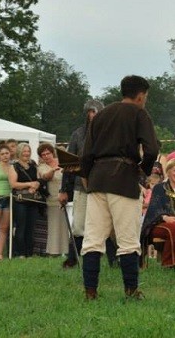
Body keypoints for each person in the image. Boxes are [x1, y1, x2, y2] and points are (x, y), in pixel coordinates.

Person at [81, 75, 160, 300]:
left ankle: (90, 292)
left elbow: (86, 153)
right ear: (141, 95)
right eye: (146, 97)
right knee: (127, 240)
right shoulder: (139, 113)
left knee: (93, 239)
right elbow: (152, 150)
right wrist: (142, 170)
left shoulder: (101, 114)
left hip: (97, 179)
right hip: (123, 179)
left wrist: (87, 176)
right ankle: (131, 291)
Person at [60, 99, 105, 268]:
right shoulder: (78, 135)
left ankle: (114, 260)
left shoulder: (108, 135)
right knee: (79, 225)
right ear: (87, 114)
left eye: (97, 112)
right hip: (81, 186)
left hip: (103, 186)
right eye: (91, 112)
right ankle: (73, 259)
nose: (94, 115)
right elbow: (68, 164)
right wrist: (64, 190)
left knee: (106, 224)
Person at [11, 143, 44, 258]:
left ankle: (29, 253)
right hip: (20, 201)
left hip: (33, 200)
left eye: (28, 151)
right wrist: (29, 184)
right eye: (24, 151)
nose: (26, 153)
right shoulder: (14, 166)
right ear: (19, 152)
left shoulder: (33, 164)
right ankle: (21, 253)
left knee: (31, 227)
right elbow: (13, 184)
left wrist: (36, 185)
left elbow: (39, 178)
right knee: (21, 227)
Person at [38, 143, 68, 256]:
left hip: (66, 198)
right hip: (52, 199)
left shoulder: (62, 162)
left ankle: (66, 250)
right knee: (54, 225)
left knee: (66, 225)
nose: (46, 156)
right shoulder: (42, 167)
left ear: (52, 153)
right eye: (43, 154)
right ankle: (54, 251)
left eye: (48, 153)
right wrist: (53, 170)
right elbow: (45, 176)